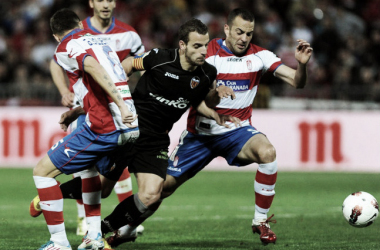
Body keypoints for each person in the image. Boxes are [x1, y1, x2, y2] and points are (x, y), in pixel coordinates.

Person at [106, 8, 313, 247]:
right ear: (226, 29)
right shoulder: (205, 52)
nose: (244, 38)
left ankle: (260, 220)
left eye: (249, 33)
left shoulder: (261, 56)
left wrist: (302, 65)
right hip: (199, 135)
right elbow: (194, 93)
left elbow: (297, 82)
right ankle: (127, 230)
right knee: (159, 190)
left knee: (268, 153)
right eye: (239, 32)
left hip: (237, 132)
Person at [98, 18, 237, 242]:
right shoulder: (159, 58)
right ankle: (50, 193)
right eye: (197, 46)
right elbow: (129, 64)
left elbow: (198, 101)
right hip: (129, 130)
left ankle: (102, 229)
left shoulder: (207, 73)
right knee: (102, 189)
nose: (203, 51)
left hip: (155, 139)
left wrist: (216, 109)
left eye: (205, 45)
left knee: (152, 195)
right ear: (182, 45)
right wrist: (119, 91)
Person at [33, 0, 145, 237]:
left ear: (55, 35)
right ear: (79, 24)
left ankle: (59, 242)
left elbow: (93, 67)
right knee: (94, 178)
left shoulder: (66, 46)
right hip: (128, 123)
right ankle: (93, 237)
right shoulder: (101, 42)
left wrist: (121, 104)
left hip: (105, 125)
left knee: (42, 171)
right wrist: (77, 110)